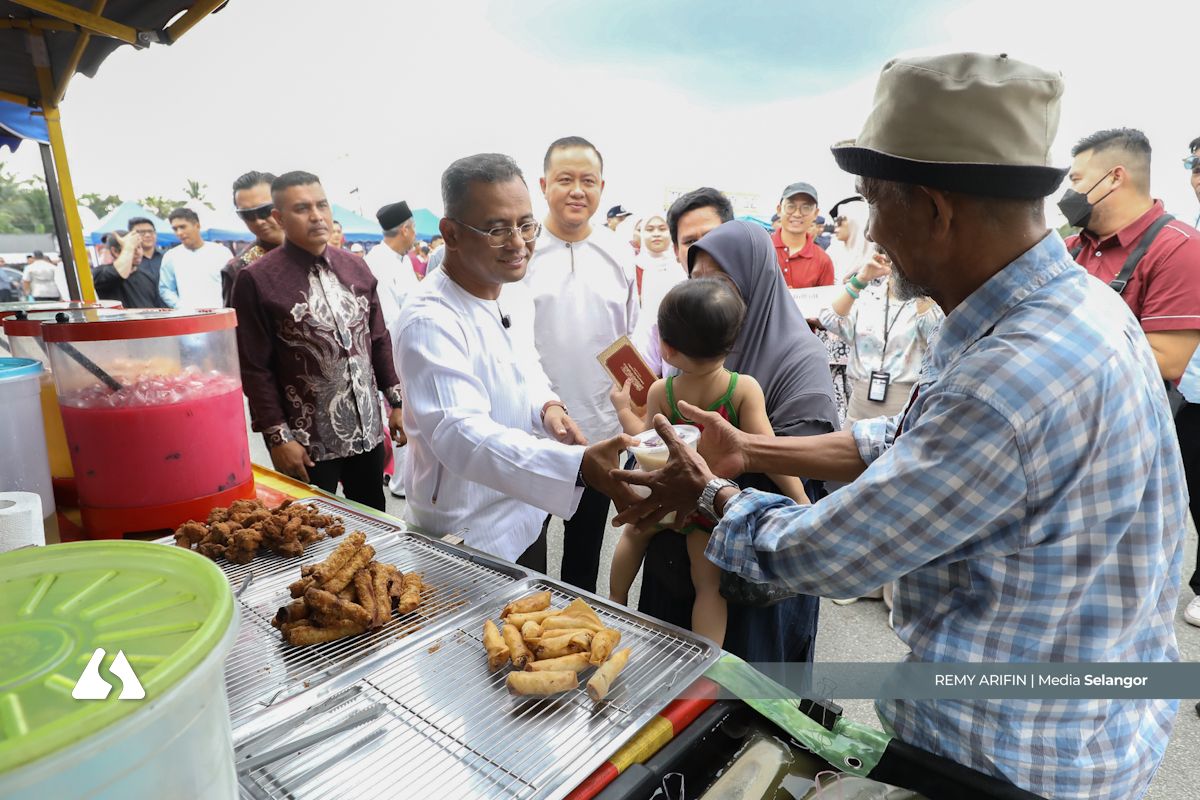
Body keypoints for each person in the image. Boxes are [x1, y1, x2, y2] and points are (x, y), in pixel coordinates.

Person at [614, 53, 1182, 800]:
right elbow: (914, 440)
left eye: (875, 203)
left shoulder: (1012, 377)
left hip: (1005, 758)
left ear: (935, 209)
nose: (872, 230)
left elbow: (830, 553)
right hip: (1087, 725)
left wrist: (714, 494)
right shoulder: (1074, 309)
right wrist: (753, 447)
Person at [394, 152, 637, 564]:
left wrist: (548, 406)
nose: (519, 242)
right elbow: (459, 433)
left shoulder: (510, 290)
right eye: (497, 229)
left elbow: (525, 364)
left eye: (526, 225)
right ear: (450, 233)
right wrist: (577, 466)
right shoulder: (429, 319)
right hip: (465, 536)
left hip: (522, 515)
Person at [638, 217, 837, 663]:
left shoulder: (798, 358)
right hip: (681, 556)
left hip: (758, 571)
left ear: (756, 280)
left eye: (723, 281)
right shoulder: (697, 344)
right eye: (697, 280)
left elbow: (805, 470)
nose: (710, 294)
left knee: (745, 701)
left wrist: (723, 469)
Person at [609, 278, 809, 646]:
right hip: (708, 504)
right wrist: (800, 499)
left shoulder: (662, 391)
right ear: (732, 341)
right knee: (709, 587)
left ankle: (616, 606)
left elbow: (643, 440)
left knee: (633, 535)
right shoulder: (743, 389)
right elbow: (768, 449)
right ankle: (707, 665)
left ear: (666, 349)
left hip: (666, 497)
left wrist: (624, 409)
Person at [230, 171, 404, 512]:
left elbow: (379, 339)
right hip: (307, 441)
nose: (316, 216)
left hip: (366, 430)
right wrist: (278, 439)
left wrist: (396, 401)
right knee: (311, 532)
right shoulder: (257, 280)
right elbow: (254, 368)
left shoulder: (356, 268)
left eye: (321, 205)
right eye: (302, 208)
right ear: (279, 217)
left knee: (374, 519)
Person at [523, 136, 641, 593]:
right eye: (565, 179)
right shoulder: (524, 249)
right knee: (528, 544)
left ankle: (574, 631)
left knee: (585, 549)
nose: (577, 190)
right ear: (543, 184)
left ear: (602, 187)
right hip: (532, 425)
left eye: (587, 181)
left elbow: (625, 342)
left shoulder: (619, 252)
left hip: (599, 428)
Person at [1062, 128, 1200, 384]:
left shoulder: (1179, 248)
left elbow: (1167, 360)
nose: (1070, 193)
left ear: (1115, 178)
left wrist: (1054, 345)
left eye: (1076, 180)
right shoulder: (1068, 249)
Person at [819, 252, 943, 424]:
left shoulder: (923, 303)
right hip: (860, 401)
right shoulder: (869, 295)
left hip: (902, 403)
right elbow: (831, 320)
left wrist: (922, 286)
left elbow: (933, 333)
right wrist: (861, 279)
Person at [366, 200, 421, 500]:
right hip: (394, 354)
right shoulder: (378, 263)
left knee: (410, 417)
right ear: (405, 228)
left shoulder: (402, 259)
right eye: (413, 230)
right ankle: (400, 483)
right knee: (399, 416)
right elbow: (386, 321)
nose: (415, 236)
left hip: (410, 349)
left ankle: (403, 478)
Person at [222, 170, 285, 307]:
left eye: (265, 210)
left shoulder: (322, 252)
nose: (258, 221)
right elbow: (237, 327)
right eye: (247, 215)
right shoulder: (239, 270)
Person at [159, 207, 229, 309]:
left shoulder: (222, 253)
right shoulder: (171, 256)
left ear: (197, 225)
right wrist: (181, 307)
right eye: (175, 229)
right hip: (188, 319)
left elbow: (232, 285)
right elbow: (165, 289)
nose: (179, 232)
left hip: (220, 316)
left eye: (183, 227)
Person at [772, 182, 834, 288]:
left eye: (806, 208)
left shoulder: (823, 261)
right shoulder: (760, 250)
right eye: (790, 206)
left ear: (815, 214)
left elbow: (825, 303)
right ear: (779, 210)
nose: (797, 214)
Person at [93, 217, 164, 308]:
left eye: (139, 247)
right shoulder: (100, 273)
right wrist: (128, 247)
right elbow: (117, 273)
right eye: (132, 249)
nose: (138, 252)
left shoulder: (147, 276)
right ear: (115, 251)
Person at [634, 213, 685, 322]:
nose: (656, 234)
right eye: (650, 229)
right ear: (642, 233)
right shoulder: (634, 267)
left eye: (662, 229)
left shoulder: (681, 264)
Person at [827, 198, 873, 283]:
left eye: (839, 221)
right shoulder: (831, 253)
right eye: (835, 222)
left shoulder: (877, 259)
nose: (835, 228)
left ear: (856, 222)